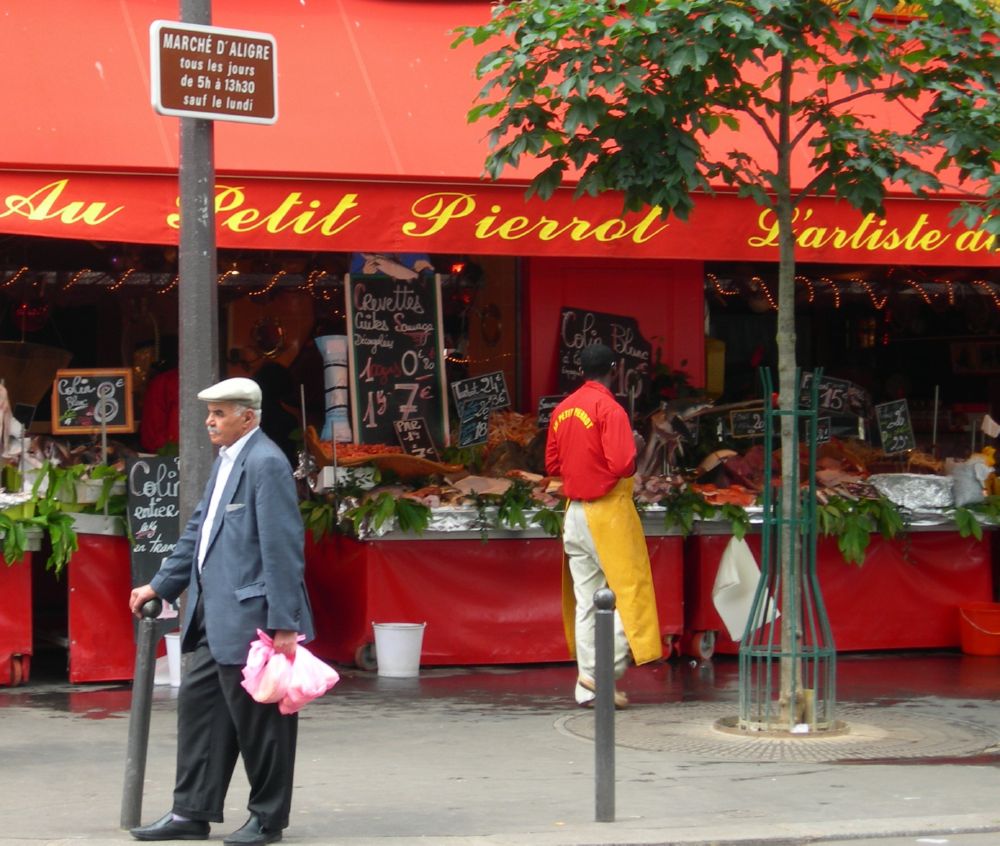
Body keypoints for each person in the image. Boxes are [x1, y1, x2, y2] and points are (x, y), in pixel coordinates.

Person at [128, 377, 315, 845]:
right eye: (209, 413)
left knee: (263, 724)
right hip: (214, 615)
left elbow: (283, 547)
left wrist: (284, 623)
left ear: (247, 418)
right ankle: (190, 813)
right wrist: (160, 584)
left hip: (254, 620)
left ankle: (267, 819)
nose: (209, 422)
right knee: (201, 712)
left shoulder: (266, 462)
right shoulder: (229, 459)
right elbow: (198, 531)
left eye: (219, 414)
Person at [545, 343, 662, 709]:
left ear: (581, 369)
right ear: (613, 369)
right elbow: (624, 464)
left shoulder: (562, 410)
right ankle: (603, 672)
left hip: (574, 513)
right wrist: (633, 446)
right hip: (608, 513)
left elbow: (552, 464)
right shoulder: (610, 409)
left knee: (586, 601)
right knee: (630, 593)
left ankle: (588, 683)